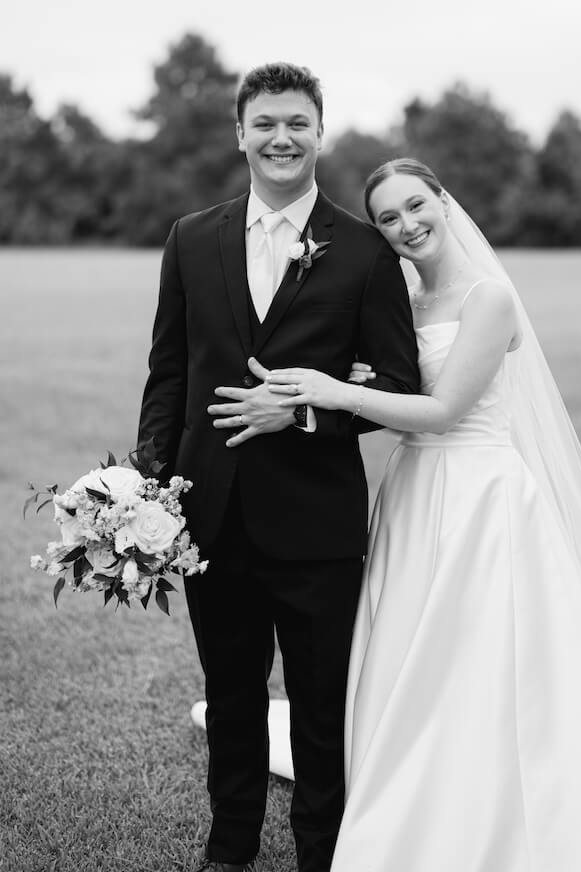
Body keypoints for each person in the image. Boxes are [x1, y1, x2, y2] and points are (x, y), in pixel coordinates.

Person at [256, 158, 581, 870]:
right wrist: (359, 382)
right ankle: (409, 769)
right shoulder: (405, 296)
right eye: (387, 218)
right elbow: (403, 396)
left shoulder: (489, 299)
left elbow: (445, 410)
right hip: (414, 492)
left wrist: (337, 391)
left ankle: (488, 791)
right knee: (411, 643)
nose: (406, 225)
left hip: (480, 495)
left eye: (416, 205)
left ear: (444, 201)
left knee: (483, 647)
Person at [136, 67, 420, 872]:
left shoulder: (364, 250)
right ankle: (228, 850)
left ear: (320, 132)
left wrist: (298, 411)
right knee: (230, 699)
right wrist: (146, 487)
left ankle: (320, 856)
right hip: (209, 515)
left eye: (297, 122)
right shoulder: (190, 237)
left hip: (316, 523)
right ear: (240, 134)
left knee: (321, 709)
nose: (281, 138)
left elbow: (397, 388)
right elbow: (168, 375)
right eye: (264, 123)